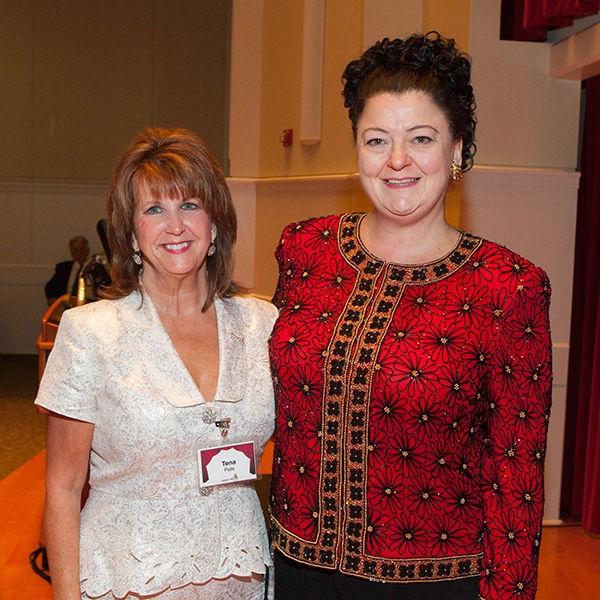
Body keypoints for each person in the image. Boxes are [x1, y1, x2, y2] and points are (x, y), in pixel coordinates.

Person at [268, 32, 552, 600]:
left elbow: (516, 476)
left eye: (420, 138)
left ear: (456, 149)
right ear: (357, 150)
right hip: (299, 573)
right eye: (377, 140)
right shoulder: (305, 250)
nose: (397, 160)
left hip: (437, 586)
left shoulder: (508, 285)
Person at [35, 127, 277, 600]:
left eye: (189, 205)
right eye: (154, 210)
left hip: (242, 582)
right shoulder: (90, 333)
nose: (175, 225)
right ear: (131, 233)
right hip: (130, 582)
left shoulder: (261, 323)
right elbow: (63, 489)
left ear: (215, 223)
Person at [44, 236, 90, 305]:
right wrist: (51, 297)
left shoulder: (95, 267)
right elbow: (50, 286)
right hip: (66, 304)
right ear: (71, 252)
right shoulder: (63, 268)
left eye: (81, 249)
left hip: (87, 305)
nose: (78, 253)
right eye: (75, 250)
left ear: (87, 250)